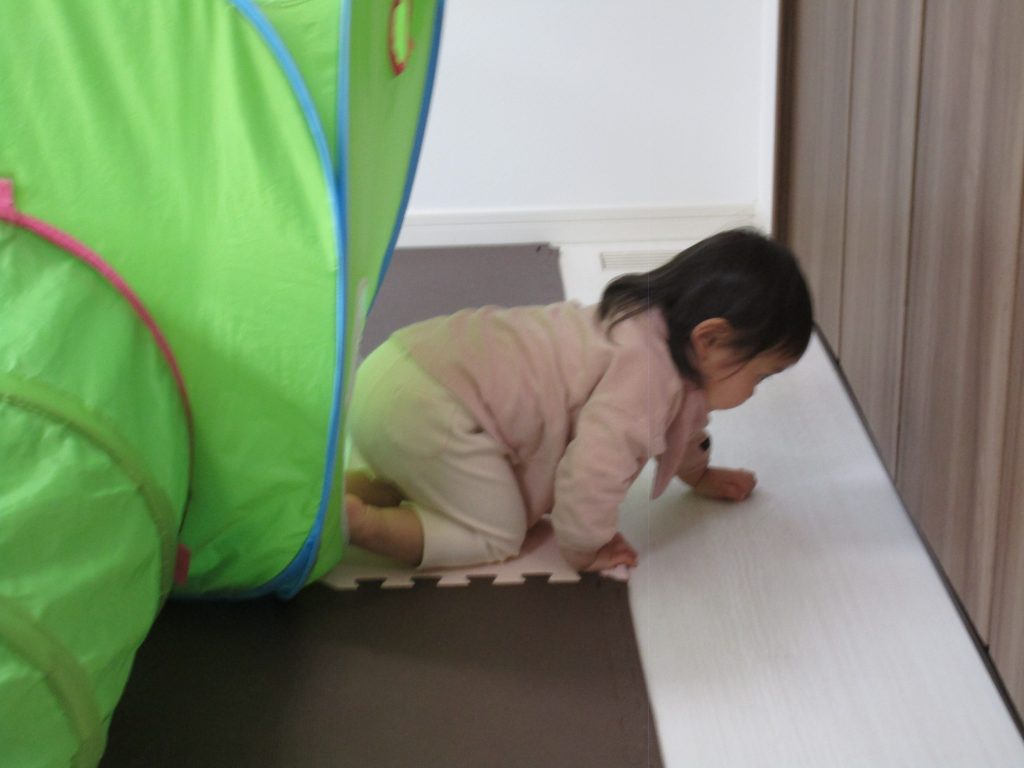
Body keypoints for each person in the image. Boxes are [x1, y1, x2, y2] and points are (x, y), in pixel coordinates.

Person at [343, 227, 813, 572]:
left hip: (393, 369)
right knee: (497, 533)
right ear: (710, 339)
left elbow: (685, 427)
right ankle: (365, 527)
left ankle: (353, 490)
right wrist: (587, 546)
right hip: (432, 409)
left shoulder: (646, 324)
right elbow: (593, 470)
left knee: (444, 480)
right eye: (760, 376)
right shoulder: (646, 379)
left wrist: (700, 475)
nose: (754, 391)